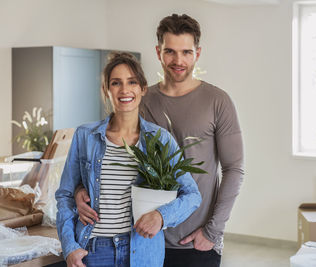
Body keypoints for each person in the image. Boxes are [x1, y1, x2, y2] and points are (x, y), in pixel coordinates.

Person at [76, 14, 244, 267]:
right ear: (158, 52)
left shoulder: (217, 101)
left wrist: (212, 231)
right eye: (170, 52)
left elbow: (234, 169)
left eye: (186, 52)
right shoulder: (140, 99)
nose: (178, 61)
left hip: (193, 239)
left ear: (198, 53)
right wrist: (80, 190)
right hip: (139, 238)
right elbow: (110, 155)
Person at [55, 52, 201, 267]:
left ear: (142, 88)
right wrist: (70, 247)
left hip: (143, 250)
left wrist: (161, 217)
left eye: (131, 82)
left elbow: (192, 195)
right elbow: (65, 195)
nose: (124, 90)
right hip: (94, 251)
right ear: (106, 90)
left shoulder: (160, 139)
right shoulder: (85, 136)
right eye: (116, 83)